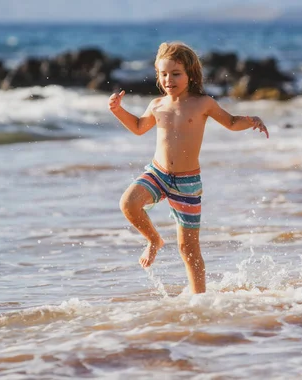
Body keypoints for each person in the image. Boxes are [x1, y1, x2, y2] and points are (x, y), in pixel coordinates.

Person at [108, 42, 269, 294]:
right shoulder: (157, 105)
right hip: (158, 173)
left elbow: (231, 122)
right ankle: (154, 240)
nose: (168, 79)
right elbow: (139, 127)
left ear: (190, 74)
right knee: (128, 203)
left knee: (189, 249)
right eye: (163, 74)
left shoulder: (203, 103)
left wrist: (251, 121)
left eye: (175, 74)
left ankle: (199, 299)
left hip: (187, 183)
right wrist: (118, 111)